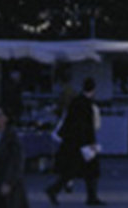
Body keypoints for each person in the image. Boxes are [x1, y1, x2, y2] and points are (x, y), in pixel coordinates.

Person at [45, 78, 101, 206]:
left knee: (72, 170)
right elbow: (88, 127)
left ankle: (54, 190)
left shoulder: (75, 102)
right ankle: (91, 197)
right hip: (82, 143)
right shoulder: (88, 105)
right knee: (90, 170)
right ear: (93, 90)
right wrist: (92, 142)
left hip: (71, 142)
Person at [0, 106, 30, 208]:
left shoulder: (12, 138)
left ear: (5, 118)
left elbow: (16, 161)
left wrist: (9, 182)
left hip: (8, 183)